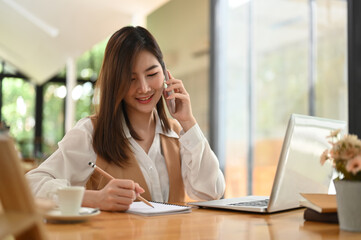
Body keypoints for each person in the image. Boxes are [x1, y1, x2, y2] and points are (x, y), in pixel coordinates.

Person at [26, 26, 225, 211]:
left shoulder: (176, 133)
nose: (144, 88)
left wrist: (188, 122)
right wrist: (93, 199)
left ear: (165, 74)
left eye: (152, 74)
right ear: (115, 82)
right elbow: (32, 183)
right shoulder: (91, 132)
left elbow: (211, 192)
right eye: (131, 79)